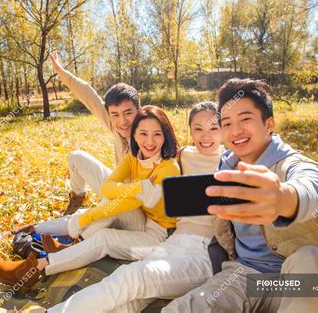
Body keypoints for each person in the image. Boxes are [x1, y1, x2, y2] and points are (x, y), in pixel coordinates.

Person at [162, 78, 318, 312]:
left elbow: (313, 186)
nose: (235, 131)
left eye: (245, 119)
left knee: (314, 258)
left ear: (269, 123)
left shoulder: (293, 164)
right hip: (244, 276)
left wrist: (283, 198)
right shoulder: (226, 164)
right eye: (227, 123)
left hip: (295, 281)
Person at [45, 101, 226, 312]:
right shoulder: (183, 156)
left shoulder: (232, 163)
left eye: (214, 128)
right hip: (174, 242)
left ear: (224, 129)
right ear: (190, 131)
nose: (206, 136)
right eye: (198, 129)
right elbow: (150, 150)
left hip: (205, 252)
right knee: (132, 299)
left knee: (131, 277)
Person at [0, 106, 180, 293]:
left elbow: (128, 202)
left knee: (104, 231)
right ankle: (50, 235)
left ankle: (35, 269)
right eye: (143, 133)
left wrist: (87, 219)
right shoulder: (133, 158)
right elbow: (107, 188)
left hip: (159, 237)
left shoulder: (168, 168)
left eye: (157, 134)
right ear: (135, 134)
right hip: (142, 220)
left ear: (166, 135)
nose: (150, 141)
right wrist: (139, 186)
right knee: (104, 207)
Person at [49, 52, 140, 215]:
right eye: (116, 115)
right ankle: (77, 200)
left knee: (91, 219)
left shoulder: (149, 136)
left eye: (128, 113)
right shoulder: (114, 123)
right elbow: (88, 94)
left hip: (137, 207)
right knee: (76, 158)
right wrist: (62, 72)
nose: (123, 121)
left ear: (138, 111)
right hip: (117, 188)